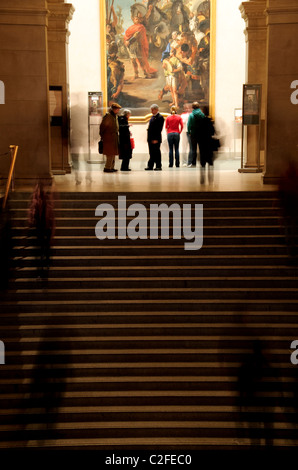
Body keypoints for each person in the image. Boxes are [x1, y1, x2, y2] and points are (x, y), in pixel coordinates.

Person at [28, 181, 55, 278]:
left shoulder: (46, 204)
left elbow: (52, 218)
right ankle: (42, 267)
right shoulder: (37, 203)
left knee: (44, 248)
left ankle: (45, 265)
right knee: (41, 248)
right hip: (41, 228)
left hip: (45, 228)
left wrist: (52, 232)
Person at [124, 11, 157, 80]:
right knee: (133, 61)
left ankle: (146, 73)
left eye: (139, 19)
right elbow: (126, 35)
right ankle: (136, 74)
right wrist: (126, 41)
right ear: (133, 20)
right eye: (136, 19)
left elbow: (136, 35)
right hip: (131, 47)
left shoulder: (141, 27)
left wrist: (129, 41)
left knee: (140, 61)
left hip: (137, 46)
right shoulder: (130, 28)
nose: (137, 20)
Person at [187, 101, 215, 182]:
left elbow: (189, 124)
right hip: (202, 135)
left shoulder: (192, 115)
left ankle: (193, 162)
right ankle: (208, 172)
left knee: (193, 148)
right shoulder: (202, 115)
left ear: (192, 107)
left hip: (194, 134)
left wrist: (189, 132)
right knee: (201, 149)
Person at [99, 102, 121, 173]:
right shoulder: (108, 116)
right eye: (117, 109)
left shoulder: (114, 116)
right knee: (109, 153)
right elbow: (102, 127)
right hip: (108, 138)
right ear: (114, 109)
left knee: (113, 153)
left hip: (113, 137)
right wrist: (103, 136)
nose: (118, 111)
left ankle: (111, 167)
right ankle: (107, 167)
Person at [145, 104, 164, 171]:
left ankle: (158, 166)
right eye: (151, 110)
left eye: (152, 110)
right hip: (150, 138)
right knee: (151, 152)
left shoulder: (160, 117)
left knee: (156, 152)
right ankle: (150, 166)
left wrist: (155, 139)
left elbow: (159, 129)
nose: (151, 111)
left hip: (155, 138)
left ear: (156, 109)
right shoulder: (153, 117)